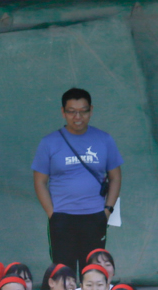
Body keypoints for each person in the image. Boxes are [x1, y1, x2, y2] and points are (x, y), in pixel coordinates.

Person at [31, 88, 122, 277]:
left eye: (83, 110)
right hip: (62, 217)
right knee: (64, 272)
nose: (77, 116)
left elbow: (115, 177)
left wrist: (107, 210)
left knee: (94, 271)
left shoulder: (104, 139)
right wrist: (52, 213)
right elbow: (40, 182)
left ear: (91, 110)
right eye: (72, 111)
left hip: (95, 216)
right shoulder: (49, 142)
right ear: (63, 112)